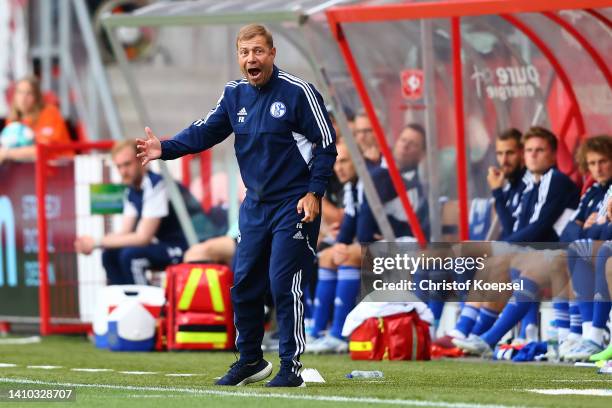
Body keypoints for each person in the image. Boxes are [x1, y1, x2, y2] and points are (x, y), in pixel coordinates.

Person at [136, 24, 336, 387]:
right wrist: (164, 148)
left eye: (258, 51)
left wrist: (314, 192)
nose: (251, 59)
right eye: (244, 53)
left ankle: (291, 367)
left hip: (293, 204)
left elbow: (326, 144)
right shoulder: (234, 95)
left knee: (282, 282)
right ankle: (250, 361)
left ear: (272, 53)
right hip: (255, 206)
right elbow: (205, 131)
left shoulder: (299, 93)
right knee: (243, 284)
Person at [74, 140, 189, 285]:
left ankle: (142, 304)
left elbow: (143, 238)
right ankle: (124, 302)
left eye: (127, 164)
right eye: (119, 166)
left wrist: (96, 242)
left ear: (142, 160)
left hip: (185, 245)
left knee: (131, 256)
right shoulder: (132, 191)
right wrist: (92, 242)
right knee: (109, 255)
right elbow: (125, 232)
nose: (123, 171)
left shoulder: (156, 185)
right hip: (165, 245)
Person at [0, 76, 71, 164]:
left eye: (29, 93)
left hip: (60, 168)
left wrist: (6, 153)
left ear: (37, 97)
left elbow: (43, 150)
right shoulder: (13, 121)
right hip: (26, 170)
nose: (23, 98)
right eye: (20, 92)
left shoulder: (50, 112)